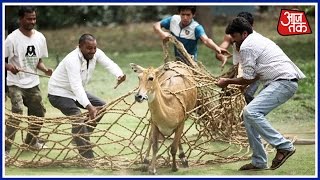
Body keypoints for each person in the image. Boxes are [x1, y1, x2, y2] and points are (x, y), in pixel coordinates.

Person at [216, 17, 305, 170]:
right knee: (248, 116)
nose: (234, 42)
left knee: (251, 111)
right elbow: (255, 74)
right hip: (280, 81)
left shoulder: (247, 46)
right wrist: (240, 83)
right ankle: (259, 161)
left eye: (235, 37)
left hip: (283, 82)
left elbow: (249, 78)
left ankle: (284, 146)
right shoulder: (256, 38)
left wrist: (227, 82)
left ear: (244, 33)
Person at [47, 34, 126, 159]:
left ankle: (80, 137)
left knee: (101, 106)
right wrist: (89, 106)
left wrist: (120, 74)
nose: (93, 51)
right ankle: (88, 158)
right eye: (89, 48)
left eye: (94, 48)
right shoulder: (72, 60)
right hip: (59, 93)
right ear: (80, 47)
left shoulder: (96, 53)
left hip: (76, 92)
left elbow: (109, 64)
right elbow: (76, 86)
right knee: (77, 116)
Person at [5, 6, 53, 156]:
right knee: (17, 111)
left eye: (34, 18)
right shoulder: (11, 39)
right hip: (15, 83)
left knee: (38, 113)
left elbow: (37, 60)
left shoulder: (40, 37)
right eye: (29, 18)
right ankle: (5, 149)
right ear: (21, 19)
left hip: (32, 83)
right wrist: (9, 66)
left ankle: (31, 142)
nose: (32, 21)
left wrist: (45, 69)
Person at [153, 6, 228, 65]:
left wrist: (216, 47)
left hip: (190, 62)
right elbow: (156, 25)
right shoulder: (173, 20)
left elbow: (206, 40)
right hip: (176, 61)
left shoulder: (197, 28)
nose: (185, 18)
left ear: (193, 15)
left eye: (188, 15)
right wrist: (161, 33)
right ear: (179, 13)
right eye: (183, 14)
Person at [216, 12, 260, 104]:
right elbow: (220, 51)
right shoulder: (232, 36)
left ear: (251, 26)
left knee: (247, 95)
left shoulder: (256, 40)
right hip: (237, 71)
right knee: (225, 95)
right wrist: (221, 56)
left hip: (253, 72)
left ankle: (255, 114)